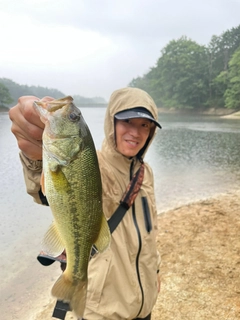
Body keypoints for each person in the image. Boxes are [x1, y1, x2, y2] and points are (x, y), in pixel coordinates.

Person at [9, 87, 161, 320]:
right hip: (103, 310)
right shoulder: (94, 164)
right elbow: (42, 189)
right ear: (112, 123)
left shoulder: (146, 173)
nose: (136, 132)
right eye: (127, 121)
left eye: (144, 125)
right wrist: (34, 155)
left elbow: (149, 231)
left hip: (144, 305)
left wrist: (155, 272)